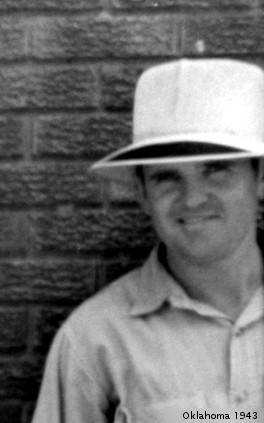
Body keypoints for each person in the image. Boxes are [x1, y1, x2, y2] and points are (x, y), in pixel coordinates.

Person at [31, 58, 264, 422]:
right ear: (141, 193)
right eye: (167, 178)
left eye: (216, 170)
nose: (192, 199)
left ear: (260, 179)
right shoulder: (94, 339)